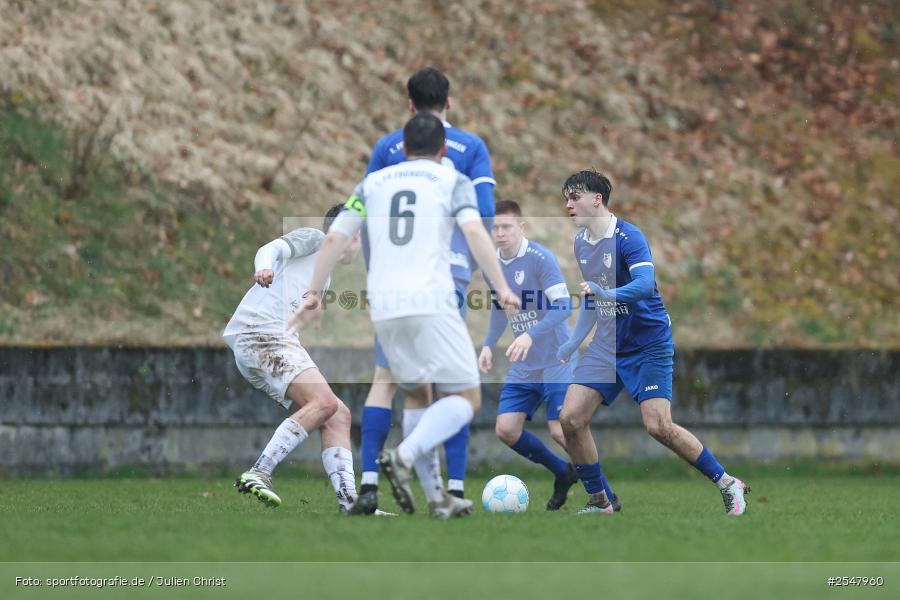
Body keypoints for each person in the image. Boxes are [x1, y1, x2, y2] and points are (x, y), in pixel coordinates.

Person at [289, 113, 519, 518]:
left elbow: (334, 236)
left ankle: (436, 499)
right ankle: (405, 455)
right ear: (444, 150)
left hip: (386, 308)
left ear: (402, 149)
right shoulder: (453, 181)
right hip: (432, 301)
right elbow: (475, 233)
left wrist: (313, 292)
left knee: (415, 393)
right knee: (466, 396)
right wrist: (500, 286)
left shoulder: (372, 184)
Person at [556, 169, 749, 516]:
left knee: (658, 426)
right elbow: (593, 298)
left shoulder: (629, 237)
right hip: (608, 343)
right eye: (566, 198)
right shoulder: (581, 242)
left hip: (648, 342)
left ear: (596, 199)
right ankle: (600, 500)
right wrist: (572, 342)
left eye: (575, 197)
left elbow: (644, 285)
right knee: (570, 418)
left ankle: (726, 482)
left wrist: (606, 292)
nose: (568, 204)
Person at [357, 67, 496, 507]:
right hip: (444, 277)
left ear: (409, 103)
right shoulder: (471, 148)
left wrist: (373, 269)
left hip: (392, 279)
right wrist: (484, 272)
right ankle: (447, 487)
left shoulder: (386, 149)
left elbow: (365, 220)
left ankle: (373, 484)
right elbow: (484, 216)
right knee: (457, 387)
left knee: (395, 382)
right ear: (449, 102)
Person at [223, 205, 363, 512]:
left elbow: (294, 318)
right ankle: (259, 472)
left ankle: (350, 502)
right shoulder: (315, 239)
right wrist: (264, 268)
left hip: (272, 340)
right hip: (260, 334)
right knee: (325, 403)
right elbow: (270, 248)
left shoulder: (324, 279)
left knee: (338, 414)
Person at [477, 200, 580, 510]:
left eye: (506, 227)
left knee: (560, 429)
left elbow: (564, 306)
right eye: (495, 227)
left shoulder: (540, 259)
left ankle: (603, 493)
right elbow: (500, 309)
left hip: (556, 357)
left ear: (521, 227)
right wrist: (487, 344)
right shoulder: (490, 266)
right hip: (526, 363)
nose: (499, 233)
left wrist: (528, 334)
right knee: (506, 430)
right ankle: (563, 472)